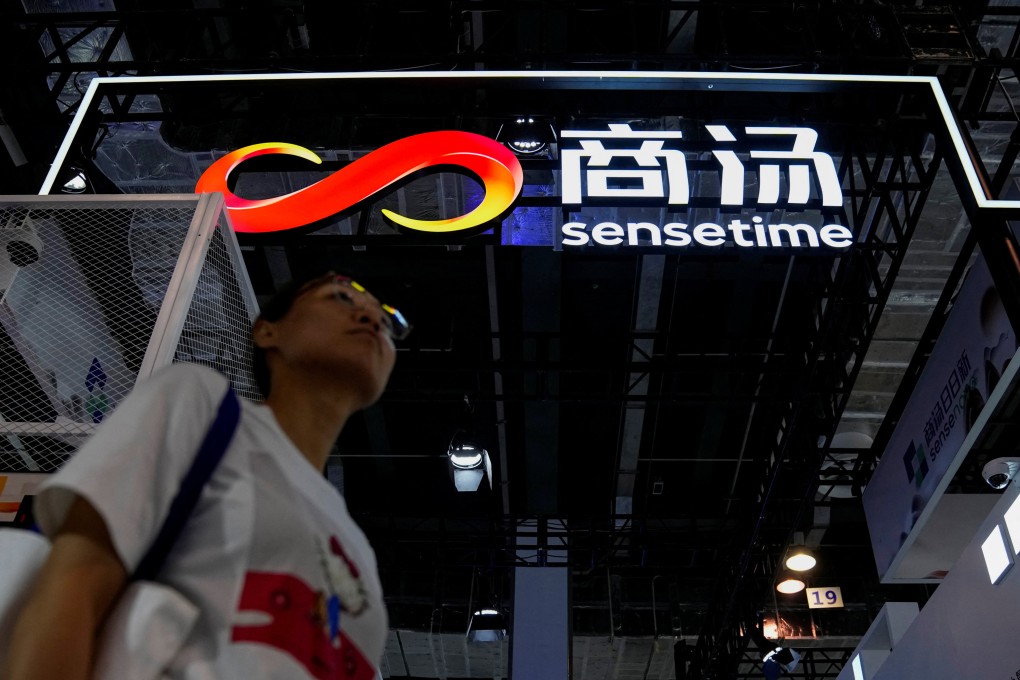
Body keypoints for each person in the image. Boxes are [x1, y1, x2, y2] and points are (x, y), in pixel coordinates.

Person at [2, 269, 410, 680]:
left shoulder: (358, 554)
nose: (373, 319)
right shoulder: (200, 406)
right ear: (268, 332)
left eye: (389, 321)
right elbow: (75, 583)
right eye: (341, 299)